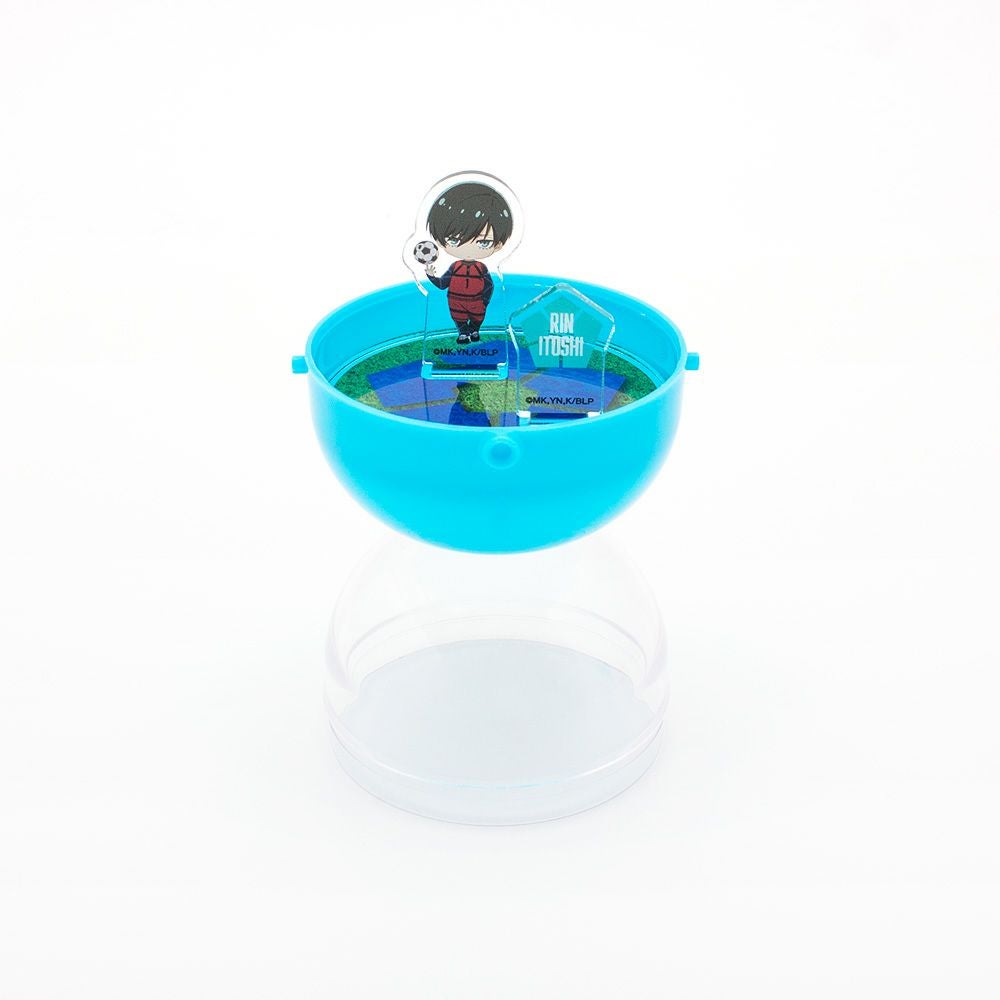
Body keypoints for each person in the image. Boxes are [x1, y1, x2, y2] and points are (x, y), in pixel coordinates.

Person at [423, 182, 513, 343]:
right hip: (456, 302)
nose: (468, 248)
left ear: (498, 244)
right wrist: (431, 276)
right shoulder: (455, 267)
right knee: (459, 318)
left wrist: (484, 302)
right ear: (441, 241)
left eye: (483, 242)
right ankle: (463, 333)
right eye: (454, 240)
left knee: (477, 318)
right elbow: (443, 284)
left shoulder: (481, 268)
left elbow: (489, 285)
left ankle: (475, 330)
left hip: (476, 304)